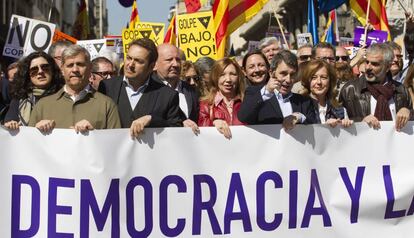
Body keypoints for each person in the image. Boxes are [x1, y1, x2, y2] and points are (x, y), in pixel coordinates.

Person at [98, 38, 182, 137]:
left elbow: (176, 129)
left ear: (152, 66)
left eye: (138, 61)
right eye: (129, 58)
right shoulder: (107, 87)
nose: (130, 64)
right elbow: (98, 122)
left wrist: (152, 119)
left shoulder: (167, 95)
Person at [29, 45, 121, 132]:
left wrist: (94, 135)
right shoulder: (42, 107)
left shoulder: (107, 105)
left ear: (90, 68)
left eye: (80, 64)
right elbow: (28, 145)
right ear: (62, 70)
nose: (75, 70)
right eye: (70, 65)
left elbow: (115, 145)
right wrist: (36, 133)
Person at [340, 43, 412, 131]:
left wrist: (408, 112)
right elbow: (338, 123)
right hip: (362, 142)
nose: (368, 67)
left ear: (387, 67)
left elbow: (411, 127)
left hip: (393, 143)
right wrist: (360, 123)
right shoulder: (350, 89)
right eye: (367, 62)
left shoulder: (401, 90)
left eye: (375, 64)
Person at [238, 50, 317, 130]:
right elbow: (244, 117)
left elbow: (317, 127)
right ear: (271, 73)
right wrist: (267, 91)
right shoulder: (257, 94)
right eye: (283, 73)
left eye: (292, 74)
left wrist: (300, 117)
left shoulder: (304, 101)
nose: (288, 80)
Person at [3, 52, 64, 129]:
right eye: (34, 69)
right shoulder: (19, 98)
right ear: (28, 74)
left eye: (45, 67)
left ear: (52, 70)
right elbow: (8, 123)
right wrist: (11, 125)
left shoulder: (64, 95)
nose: (40, 72)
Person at [153, 43, 199, 134]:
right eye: (169, 60)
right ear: (155, 64)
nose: (175, 64)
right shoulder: (147, 90)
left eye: (178, 59)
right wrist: (179, 124)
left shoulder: (190, 90)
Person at [198, 58, 246, 139]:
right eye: (222, 75)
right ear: (215, 78)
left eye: (232, 74)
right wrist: (213, 123)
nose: (228, 79)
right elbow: (201, 133)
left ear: (238, 78)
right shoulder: (205, 105)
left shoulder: (247, 102)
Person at [300, 59, 353, 127]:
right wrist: (325, 127)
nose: (319, 82)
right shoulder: (300, 107)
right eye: (314, 78)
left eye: (323, 77)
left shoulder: (340, 110)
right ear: (307, 81)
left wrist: (344, 125)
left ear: (330, 81)